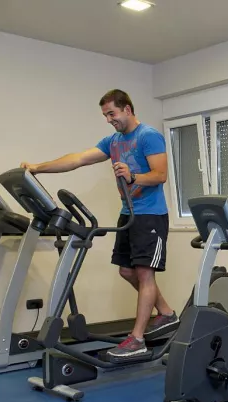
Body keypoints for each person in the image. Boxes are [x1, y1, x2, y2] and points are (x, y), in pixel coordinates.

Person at [20, 89, 179, 359]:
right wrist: (37, 167)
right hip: (128, 213)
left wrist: (133, 176)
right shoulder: (113, 141)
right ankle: (166, 312)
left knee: (145, 274)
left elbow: (160, 174)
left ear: (127, 109)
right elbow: (77, 159)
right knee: (127, 272)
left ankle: (137, 339)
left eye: (112, 113)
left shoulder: (148, 136)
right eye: (105, 115)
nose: (108, 119)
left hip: (150, 215)